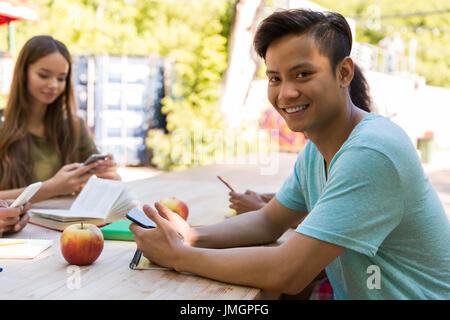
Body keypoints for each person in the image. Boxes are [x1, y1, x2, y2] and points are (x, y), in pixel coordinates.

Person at [130, 9, 450, 299]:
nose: (286, 93)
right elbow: (267, 222)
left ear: (344, 73)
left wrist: (180, 256)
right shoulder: (316, 150)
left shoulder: (373, 152)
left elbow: (289, 272)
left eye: (302, 74)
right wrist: (190, 235)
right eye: (275, 78)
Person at [0, 35, 121, 205]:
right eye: (44, 75)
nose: (54, 85)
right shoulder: (2, 125)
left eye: (61, 78)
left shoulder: (74, 125)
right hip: (16, 228)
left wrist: (110, 177)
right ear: (23, 74)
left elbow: (103, 185)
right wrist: (51, 188)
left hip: (66, 226)